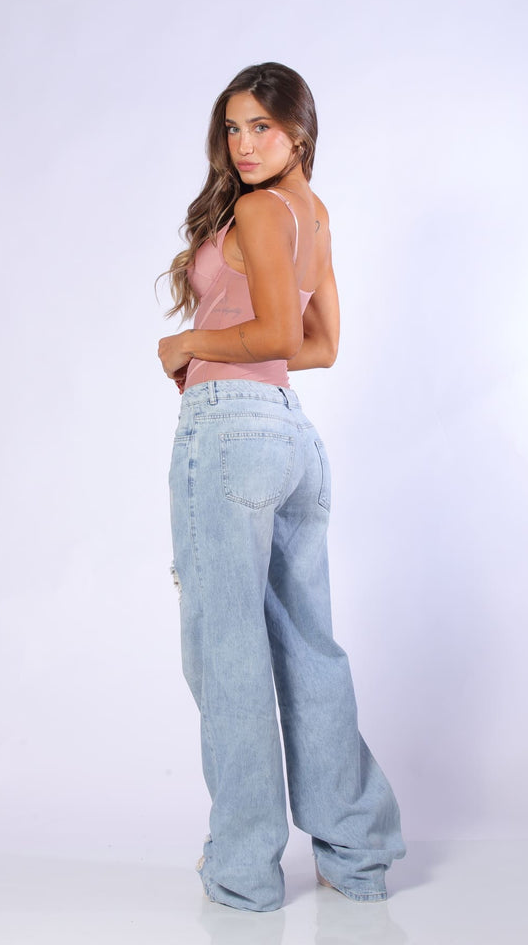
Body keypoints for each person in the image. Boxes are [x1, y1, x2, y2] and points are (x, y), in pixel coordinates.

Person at [158, 62, 405, 912]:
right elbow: (318, 345)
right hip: (290, 435)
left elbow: (272, 334)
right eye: (233, 128)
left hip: (229, 430)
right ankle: (356, 856)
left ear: (298, 130)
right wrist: (230, 345)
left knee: (226, 649)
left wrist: (186, 345)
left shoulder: (263, 210)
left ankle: (243, 871)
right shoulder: (315, 215)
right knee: (307, 647)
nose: (244, 144)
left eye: (261, 126)